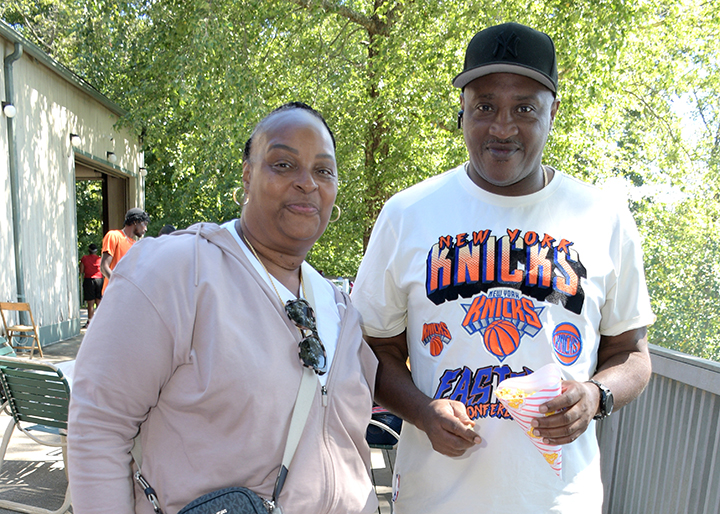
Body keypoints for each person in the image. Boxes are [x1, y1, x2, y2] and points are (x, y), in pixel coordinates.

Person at [351, 22, 654, 514]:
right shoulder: (408, 214)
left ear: (553, 112)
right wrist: (422, 412)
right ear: (462, 112)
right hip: (434, 502)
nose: (502, 127)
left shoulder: (604, 218)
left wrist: (595, 396)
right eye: (485, 106)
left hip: (560, 502)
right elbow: (373, 349)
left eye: (524, 109)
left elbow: (632, 353)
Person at [68, 102, 379, 514]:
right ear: (247, 176)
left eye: (323, 170)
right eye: (283, 164)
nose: (307, 182)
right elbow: (98, 427)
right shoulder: (177, 272)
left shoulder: (339, 307)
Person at [100, 207, 150, 294]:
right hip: (112, 295)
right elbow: (104, 267)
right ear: (135, 221)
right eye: (144, 224)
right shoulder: (114, 236)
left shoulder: (136, 245)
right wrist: (119, 285)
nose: (145, 229)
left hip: (128, 295)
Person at [79, 243, 103, 327]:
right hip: (99, 279)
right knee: (99, 301)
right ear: (96, 251)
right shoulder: (100, 259)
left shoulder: (84, 258)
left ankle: (90, 321)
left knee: (90, 303)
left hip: (89, 280)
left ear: (89, 250)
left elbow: (81, 271)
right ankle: (100, 321)